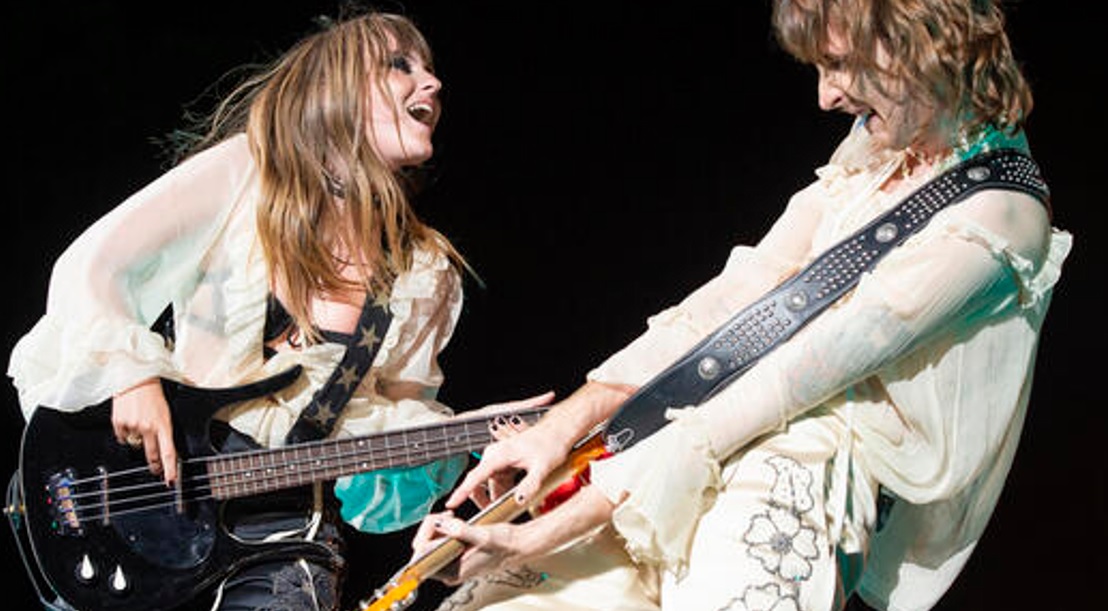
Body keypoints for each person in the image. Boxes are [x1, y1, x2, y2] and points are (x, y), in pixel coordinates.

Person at [411, 1, 1073, 610]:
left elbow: (780, 385)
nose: (826, 95)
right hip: (677, 456)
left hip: (790, 477)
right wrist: (562, 425)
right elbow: (737, 300)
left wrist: (546, 529)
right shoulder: (879, 149)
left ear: (921, 40)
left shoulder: (1000, 218)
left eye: (839, 63)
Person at [7, 8, 547, 611]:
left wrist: (466, 442)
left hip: (287, 539)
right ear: (334, 86)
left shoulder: (423, 270)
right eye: (401, 65)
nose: (433, 85)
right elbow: (91, 268)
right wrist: (131, 376)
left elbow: (387, 425)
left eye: (431, 69)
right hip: (157, 503)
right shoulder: (244, 171)